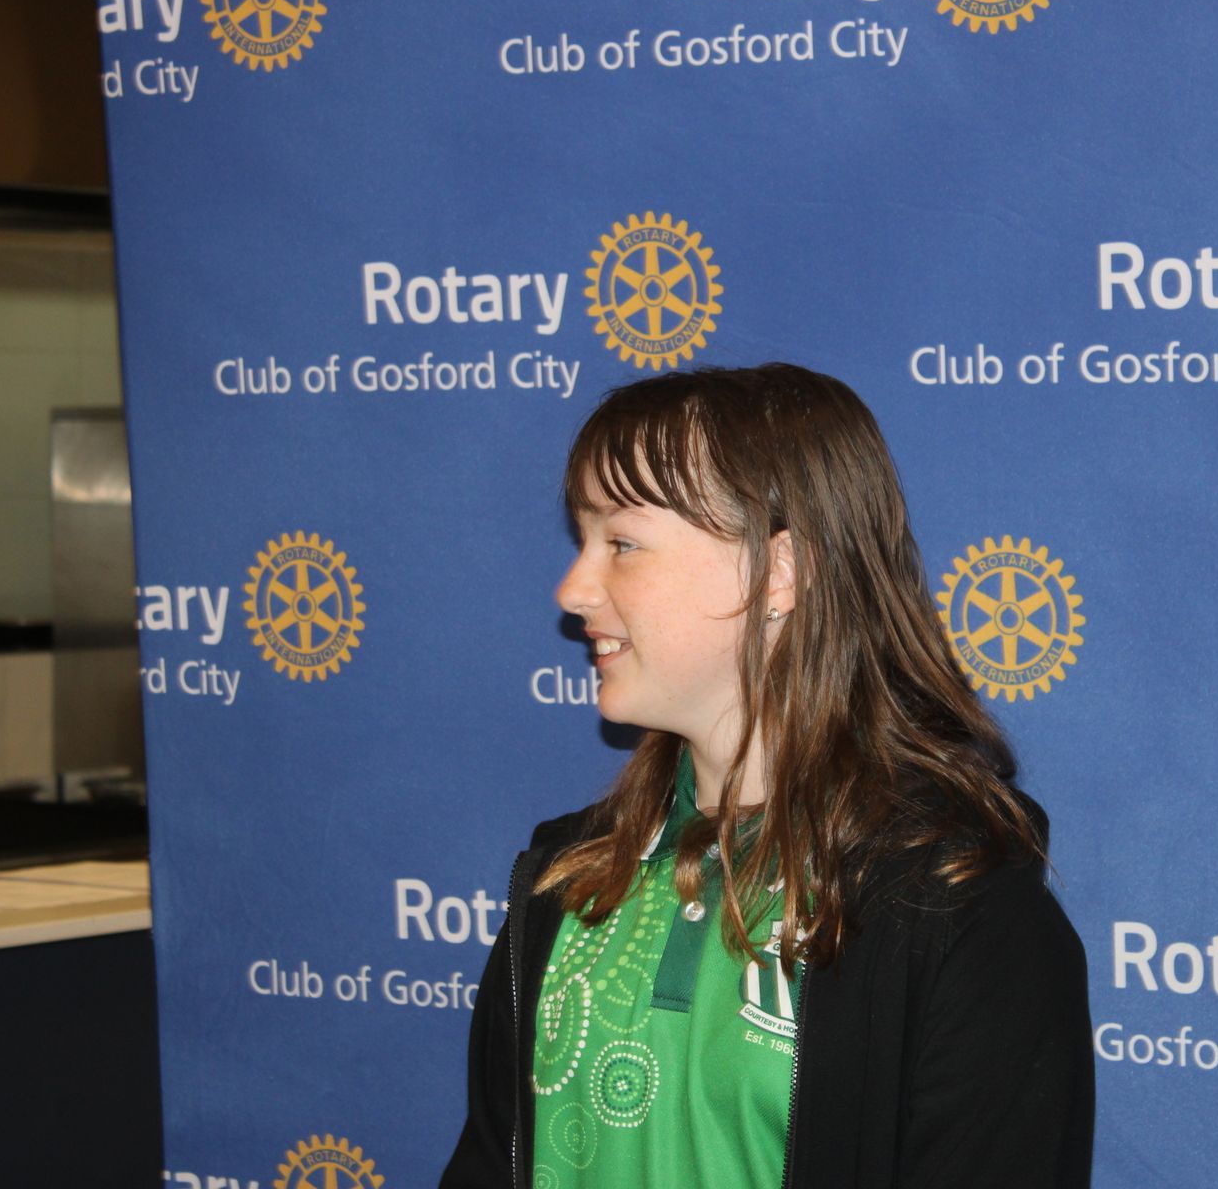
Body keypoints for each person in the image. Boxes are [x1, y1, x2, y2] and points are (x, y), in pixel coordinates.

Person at [440, 363, 1093, 1189]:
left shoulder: (958, 913)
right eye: (583, 542)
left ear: (779, 573)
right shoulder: (568, 883)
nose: (574, 589)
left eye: (623, 543)